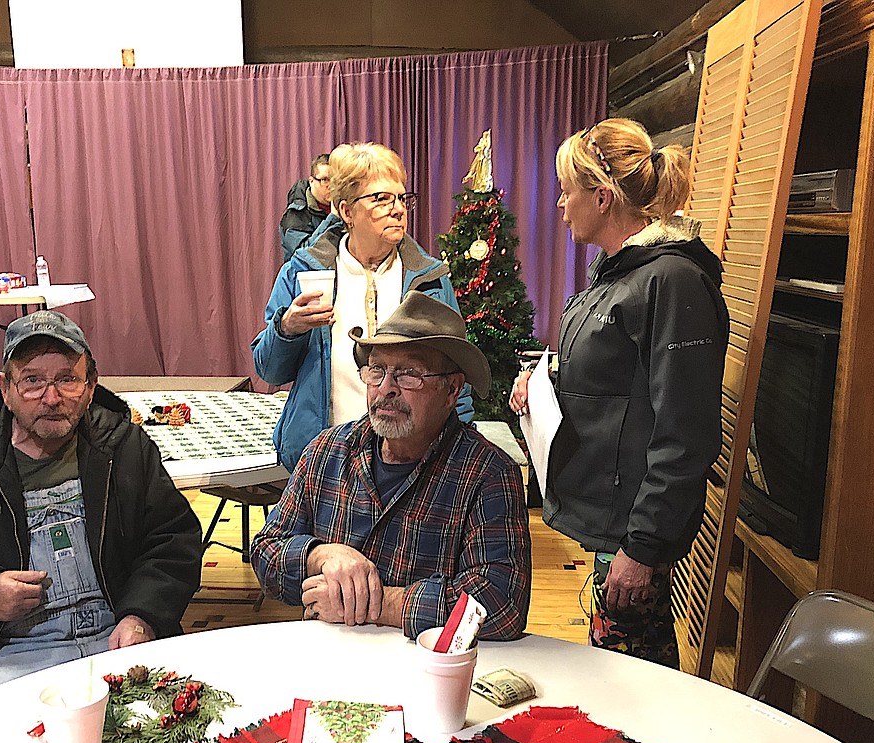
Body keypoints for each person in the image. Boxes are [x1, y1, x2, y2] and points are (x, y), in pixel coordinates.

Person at [0, 311, 202, 716]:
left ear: (90, 386)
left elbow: (173, 540)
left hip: (115, 641)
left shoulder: (124, 449)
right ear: (4, 388)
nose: (52, 398)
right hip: (0, 655)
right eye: (32, 381)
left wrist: (142, 615)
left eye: (67, 379)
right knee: (7, 738)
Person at [510, 118, 728, 668]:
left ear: (602, 198)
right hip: (611, 522)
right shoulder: (617, 275)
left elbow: (686, 432)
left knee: (637, 683)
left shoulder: (671, 282)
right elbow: (611, 380)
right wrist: (542, 381)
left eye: (567, 191)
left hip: (634, 532)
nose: (560, 205)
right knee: (615, 669)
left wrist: (644, 548)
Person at [253, 292, 531, 641]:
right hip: (326, 662)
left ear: (451, 391)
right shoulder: (327, 452)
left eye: (409, 374)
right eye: (377, 370)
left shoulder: (488, 475)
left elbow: (501, 603)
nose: (386, 388)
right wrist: (319, 555)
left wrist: (378, 603)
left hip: (428, 672)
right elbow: (266, 551)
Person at [254, 141, 473, 472]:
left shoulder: (429, 279)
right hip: (323, 461)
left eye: (401, 198)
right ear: (345, 211)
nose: (397, 208)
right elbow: (270, 371)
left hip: (410, 462)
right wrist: (288, 329)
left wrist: (460, 444)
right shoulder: (304, 272)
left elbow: (457, 374)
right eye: (380, 198)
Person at [279, 153, 333, 262]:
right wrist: (333, 218)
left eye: (334, 179)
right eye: (325, 180)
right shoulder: (295, 214)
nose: (331, 185)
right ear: (311, 181)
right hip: (306, 277)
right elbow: (304, 254)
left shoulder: (343, 208)